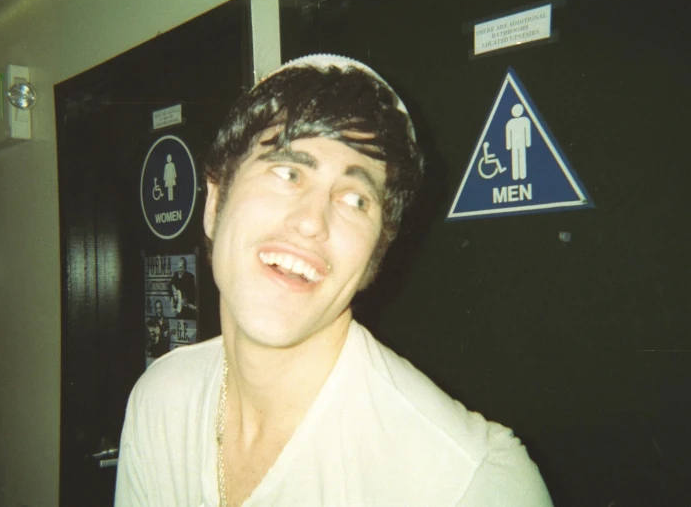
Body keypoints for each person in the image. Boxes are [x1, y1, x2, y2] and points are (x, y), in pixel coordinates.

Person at [116, 54, 553, 506]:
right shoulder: (161, 402)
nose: (312, 221)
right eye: (288, 172)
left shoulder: (469, 482)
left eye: (354, 199)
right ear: (215, 203)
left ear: (374, 256)